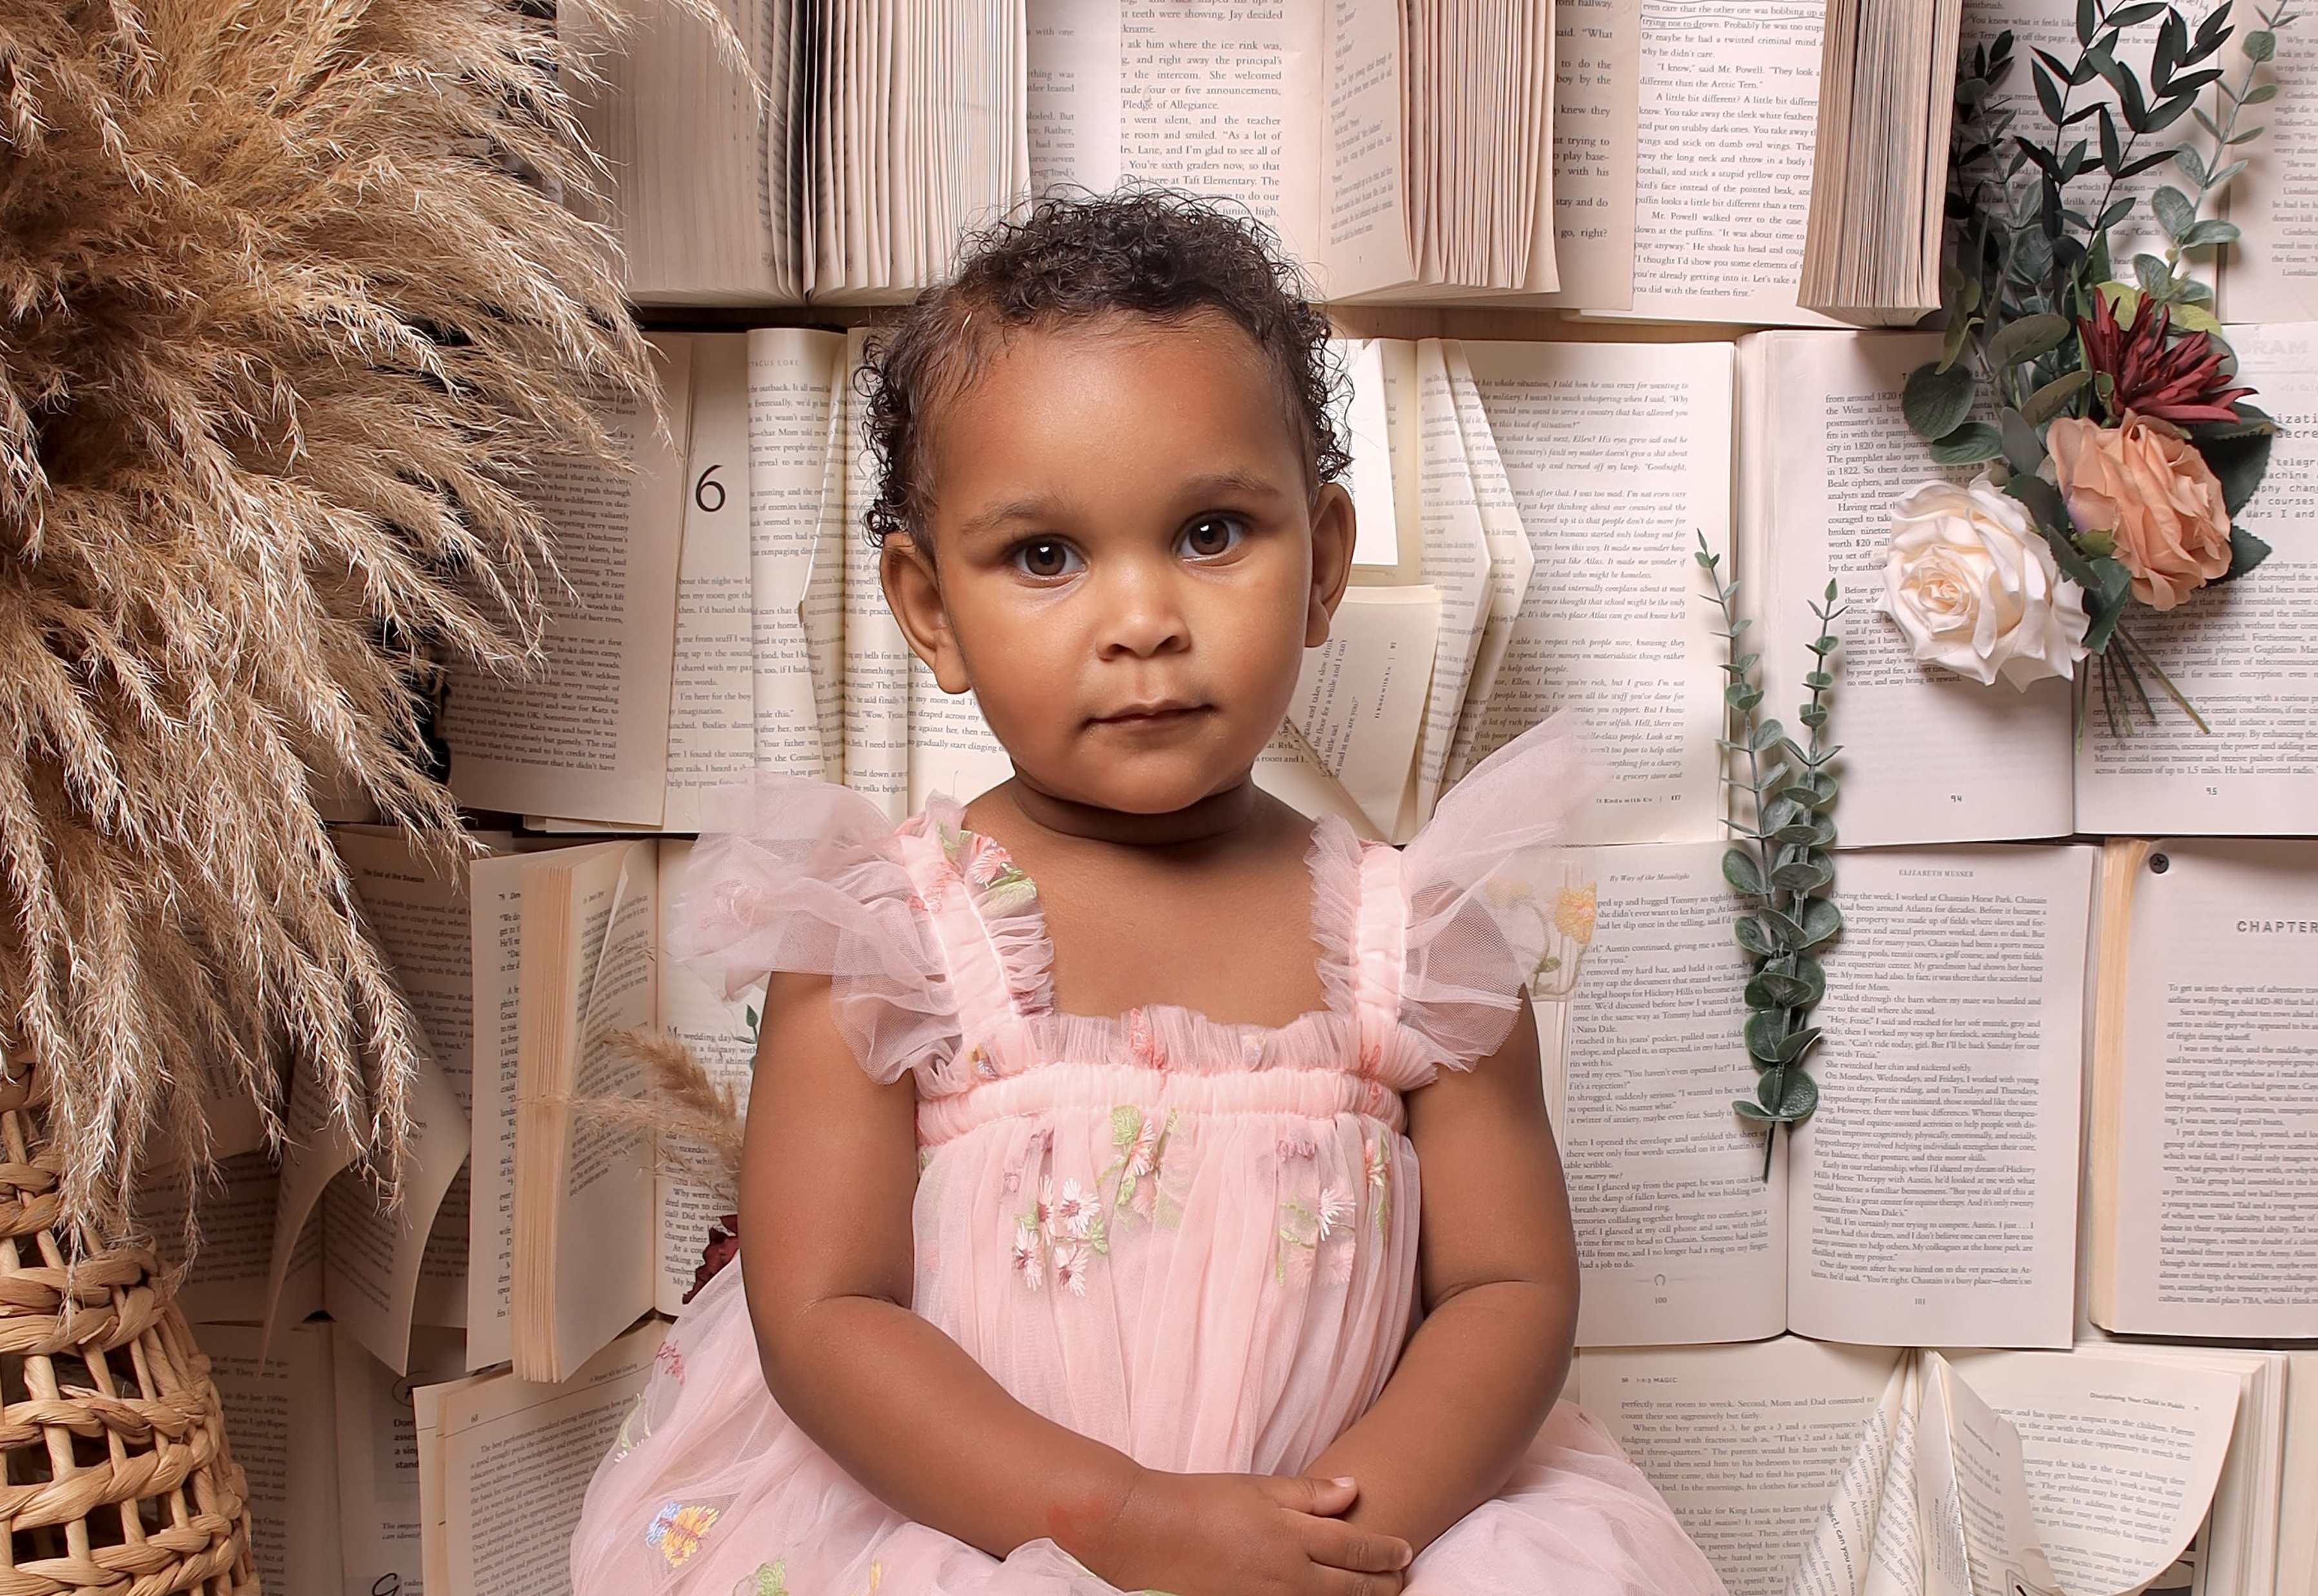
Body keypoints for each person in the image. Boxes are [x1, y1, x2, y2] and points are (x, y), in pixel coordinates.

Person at [571, 189, 1725, 1596]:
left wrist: (1343, 1533)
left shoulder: (1413, 944)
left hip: (1349, 1532)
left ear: (1325, 563)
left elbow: (1509, 1288)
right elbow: (823, 1314)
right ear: (930, 609)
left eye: (1212, 532)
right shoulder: (889, 943)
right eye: (1045, 556)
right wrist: (1121, 1522)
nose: (1142, 620)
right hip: (981, 1533)